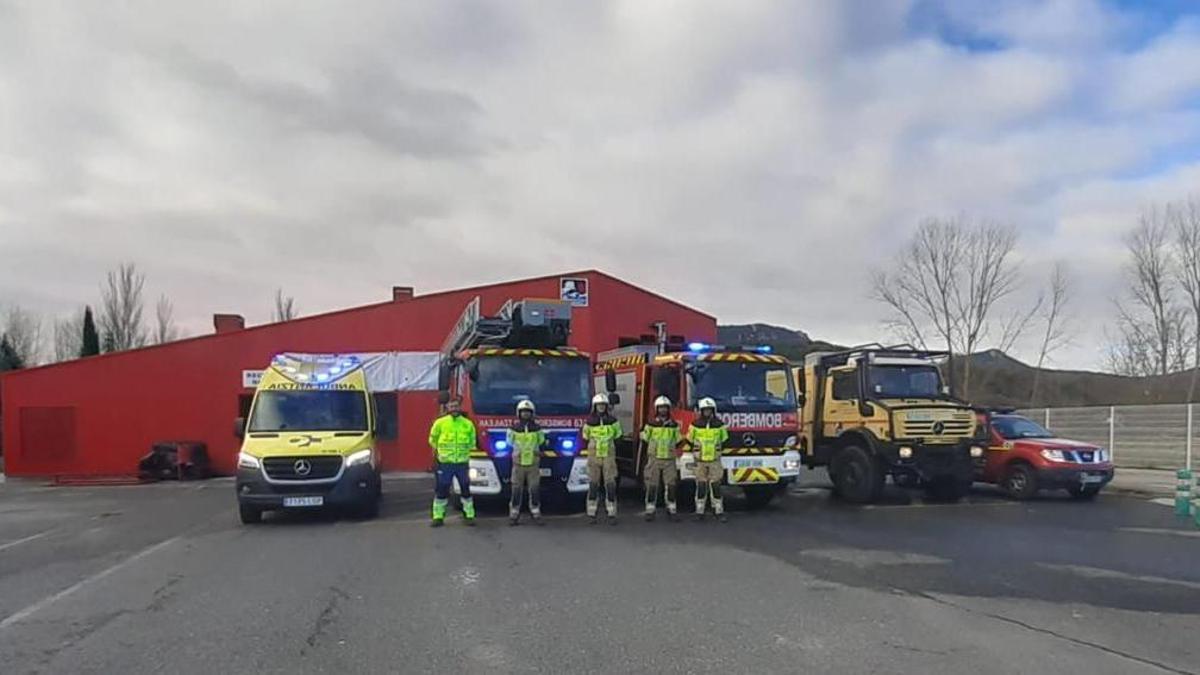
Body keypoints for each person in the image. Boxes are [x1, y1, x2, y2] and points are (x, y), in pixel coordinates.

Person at [428, 396, 478, 527]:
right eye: (451, 406)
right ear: (447, 408)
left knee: (465, 488)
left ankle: (469, 515)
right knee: (442, 489)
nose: (454, 408)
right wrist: (439, 452)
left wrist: (466, 453)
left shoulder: (467, 423)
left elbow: (472, 441)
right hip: (445, 462)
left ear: (459, 407)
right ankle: (438, 517)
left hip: (462, 463)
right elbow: (432, 439)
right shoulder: (440, 423)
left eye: (456, 406)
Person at [686, 397, 729, 522]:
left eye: (709, 410)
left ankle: (719, 511)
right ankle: (699, 511)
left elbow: (725, 440)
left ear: (713, 411)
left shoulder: (719, 425)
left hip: (714, 460)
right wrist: (695, 454)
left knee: (716, 485)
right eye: (705, 410)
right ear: (701, 411)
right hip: (700, 461)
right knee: (701, 485)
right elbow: (689, 439)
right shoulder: (695, 425)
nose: (707, 412)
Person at [582, 393, 621, 525]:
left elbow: (618, 436)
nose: (601, 407)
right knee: (593, 484)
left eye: (603, 405)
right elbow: (585, 436)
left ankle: (611, 512)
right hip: (594, 456)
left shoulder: (613, 421)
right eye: (599, 405)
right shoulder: (589, 422)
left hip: (609, 456)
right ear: (594, 406)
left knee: (610, 484)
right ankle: (591, 512)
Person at [641, 395, 682, 521]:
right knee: (652, 485)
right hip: (654, 458)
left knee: (671, 485)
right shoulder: (651, 424)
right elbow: (644, 437)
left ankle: (671, 509)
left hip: (669, 459)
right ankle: (650, 510)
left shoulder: (674, 425)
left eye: (665, 408)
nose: (663, 410)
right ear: (656, 409)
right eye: (660, 408)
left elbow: (678, 440)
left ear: (668, 409)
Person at [507, 399, 547, 526]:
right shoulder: (513, 429)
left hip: (533, 463)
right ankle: (514, 514)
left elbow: (541, 442)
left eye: (528, 412)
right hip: (518, 463)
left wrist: (538, 452)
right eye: (523, 412)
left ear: (532, 413)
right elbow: (509, 443)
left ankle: (535, 512)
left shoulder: (537, 429)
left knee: (534, 489)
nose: (525, 414)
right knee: (516, 489)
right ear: (519, 413)